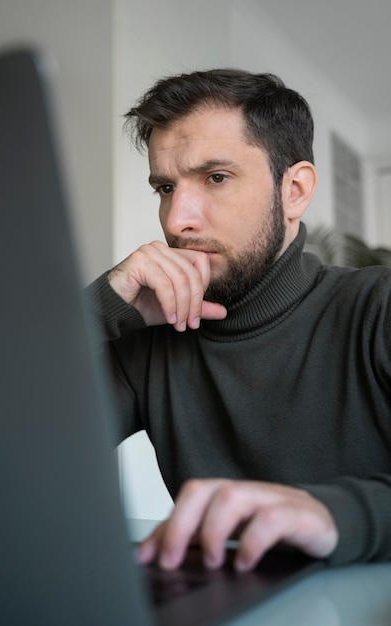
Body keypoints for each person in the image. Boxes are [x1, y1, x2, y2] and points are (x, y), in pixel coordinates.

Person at [86, 69, 391, 573]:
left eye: (216, 177)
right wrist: (96, 309)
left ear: (294, 190)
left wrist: (332, 514)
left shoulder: (376, 307)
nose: (176, 220)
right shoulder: (145, 346)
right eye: (165, 186)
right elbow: (3, 455)